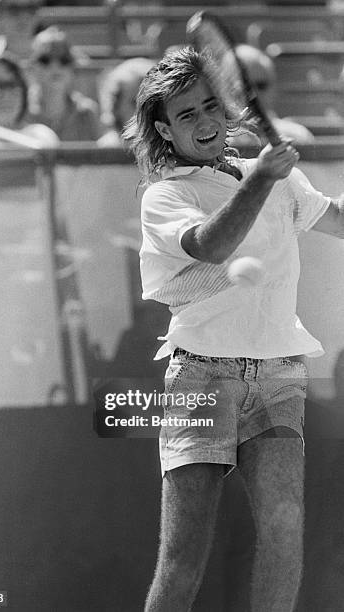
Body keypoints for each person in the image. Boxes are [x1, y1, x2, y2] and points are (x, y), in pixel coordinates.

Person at [123, 46, 344, 611]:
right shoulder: (164, 196)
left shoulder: (269, 178)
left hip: (278, 377)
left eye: (209, 107)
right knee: (183, 557)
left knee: (284, 529)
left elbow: (339, 220)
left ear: (227, 111)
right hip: (201, 379)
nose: (203, 122)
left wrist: (266, 177)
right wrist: (263, 179)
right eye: (185, 115)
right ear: (165, 132)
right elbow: (213, 244)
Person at [228, 44, 315, 148]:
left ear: (273, 87)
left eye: (261, 85)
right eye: (246, 87)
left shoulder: (298, 137)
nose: (253, 95)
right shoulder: (219, 146)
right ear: (227, 90)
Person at [27, 26, 102, 141]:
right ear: (32, 67)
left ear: (72, 67)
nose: (55, 66)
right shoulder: (22, 110)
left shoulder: (87, 112)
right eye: (45, 60)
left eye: (64, 60)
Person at [97, 57, 155, 147]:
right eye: (134, 103)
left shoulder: (174, 149)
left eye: (150, 102)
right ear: (116, 106)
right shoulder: (106, 150)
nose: (144, 111)